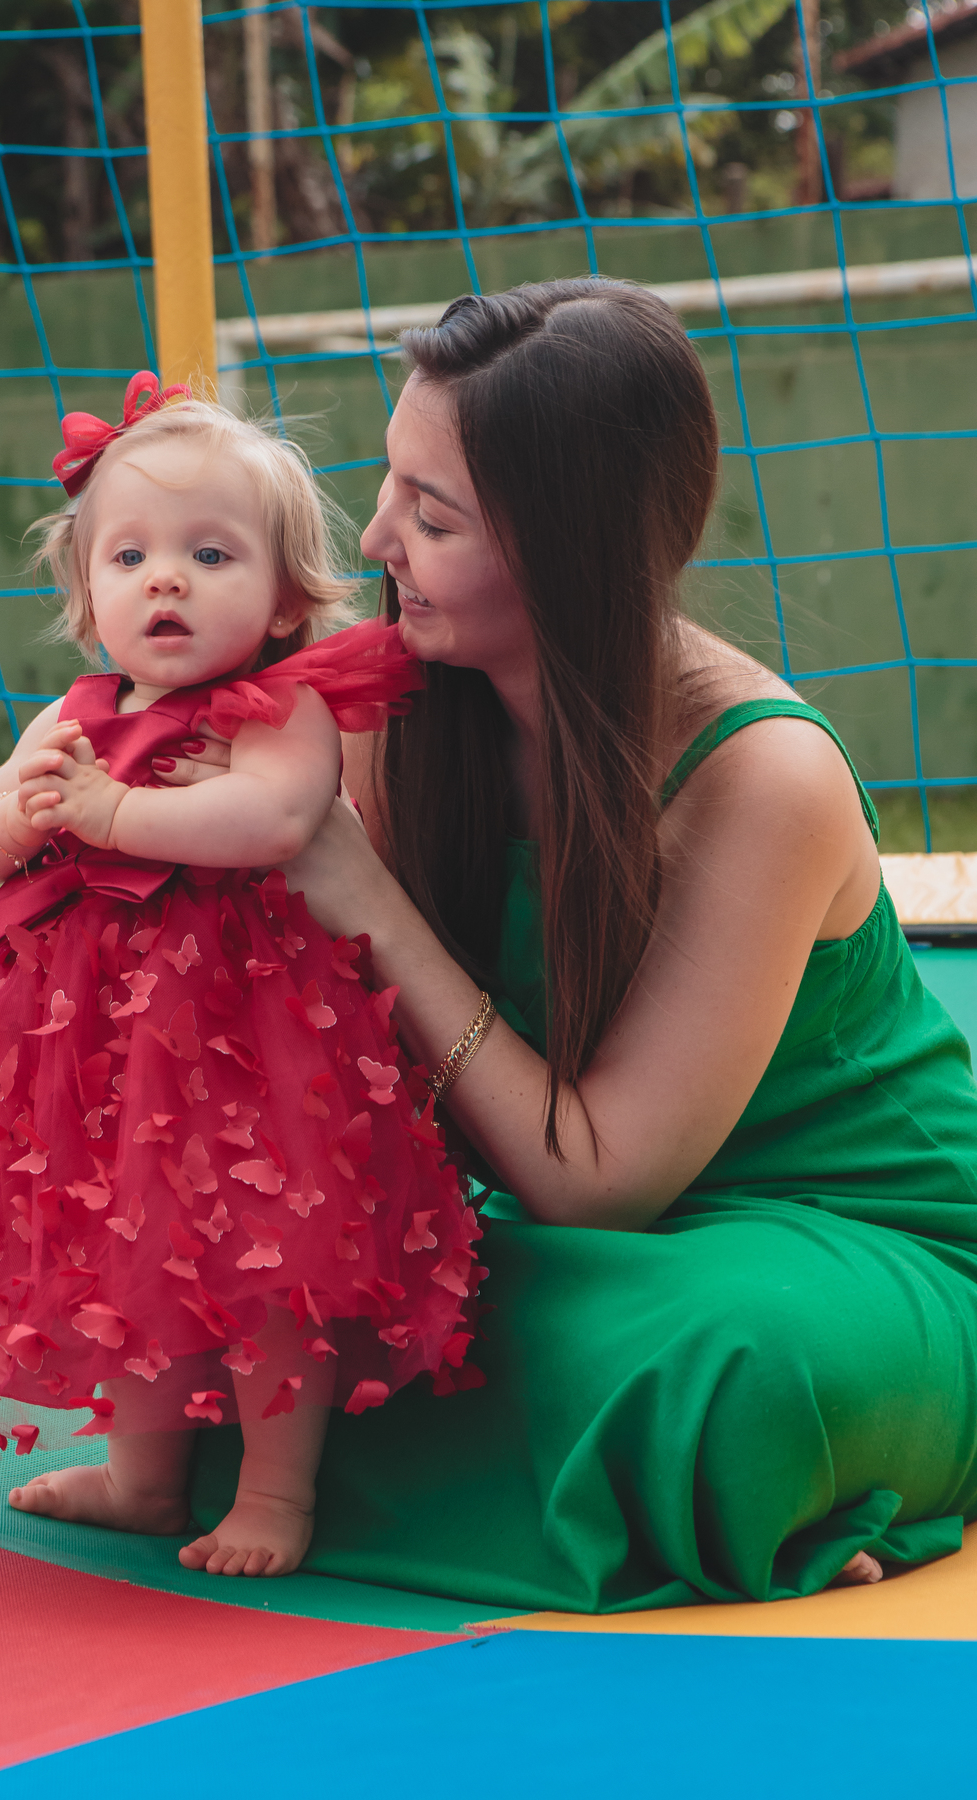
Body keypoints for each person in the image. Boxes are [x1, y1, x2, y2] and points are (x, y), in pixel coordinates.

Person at [182, 280, 977, 1612]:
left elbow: (599, 1182)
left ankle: (761, 1456)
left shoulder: (763, 775)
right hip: (575, 1253)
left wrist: (365, 896)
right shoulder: (392, 707)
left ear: (569, 551)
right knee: (256, 1323)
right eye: (390, 486)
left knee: (734, 1369)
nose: (376, 538)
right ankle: (683, 1498)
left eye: (433, 518)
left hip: (838, 1239)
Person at [0, 378, 483, 1580]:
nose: (167, 581)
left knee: (269, 1256)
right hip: (103, 1056)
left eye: (210, 555)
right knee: (130, 1252)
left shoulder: (281, 707)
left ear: (286, 595)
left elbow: (276, 820)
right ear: (85, 592)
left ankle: (275, 1492)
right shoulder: (76, 714)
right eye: (131, 556)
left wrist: (110, 812)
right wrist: (14, 813)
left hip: (248, 1043)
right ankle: (143, 1478)